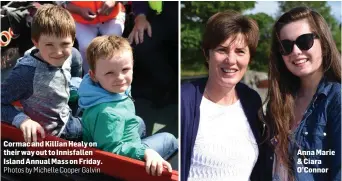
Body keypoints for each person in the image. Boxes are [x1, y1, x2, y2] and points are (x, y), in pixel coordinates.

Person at [181, 10, 270, 181]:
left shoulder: (251, 100)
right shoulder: (185, 100)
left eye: (240, 51)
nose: (231, 60)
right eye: (222, 50)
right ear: (207, 54)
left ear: (249, 57)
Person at [78, 35, 178, 176]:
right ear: (94, 75)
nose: (120, 78)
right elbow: (112, 151)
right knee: (170, 139)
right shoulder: (107, 113)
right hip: (116, 163)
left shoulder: (107, 87)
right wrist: (145, 152)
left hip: (122, 135)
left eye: (125, 70)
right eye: (110, 73)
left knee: (140, 123)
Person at [263, 6, 341, 181]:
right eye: (286, 46)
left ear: (324, 42)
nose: (296, 51)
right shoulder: (278, 102)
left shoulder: (337, 98)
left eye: (305, 41)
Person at [1, 4, 82, 142]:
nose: (58, 52)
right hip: (50, 136)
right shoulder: (26, 73)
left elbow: (76, 60)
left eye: (64, 44)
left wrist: (74, 83)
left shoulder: (71, 53)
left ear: (73, 40)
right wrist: (23, 121)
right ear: (36, 42)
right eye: (49, 45)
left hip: (68, 119)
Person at [128, 1, 178, 106]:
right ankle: (165, 86)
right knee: (138, 43)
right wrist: (140, 15)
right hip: (154, 15)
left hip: (178, 14)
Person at [60, 1, 126, 73]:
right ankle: (89, 75)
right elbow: (63, 2)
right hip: (80, 20)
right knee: (86, 46)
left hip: (113, 17)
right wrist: (79, 10)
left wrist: (113, 1)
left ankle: (114, 73)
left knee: (113, 42)